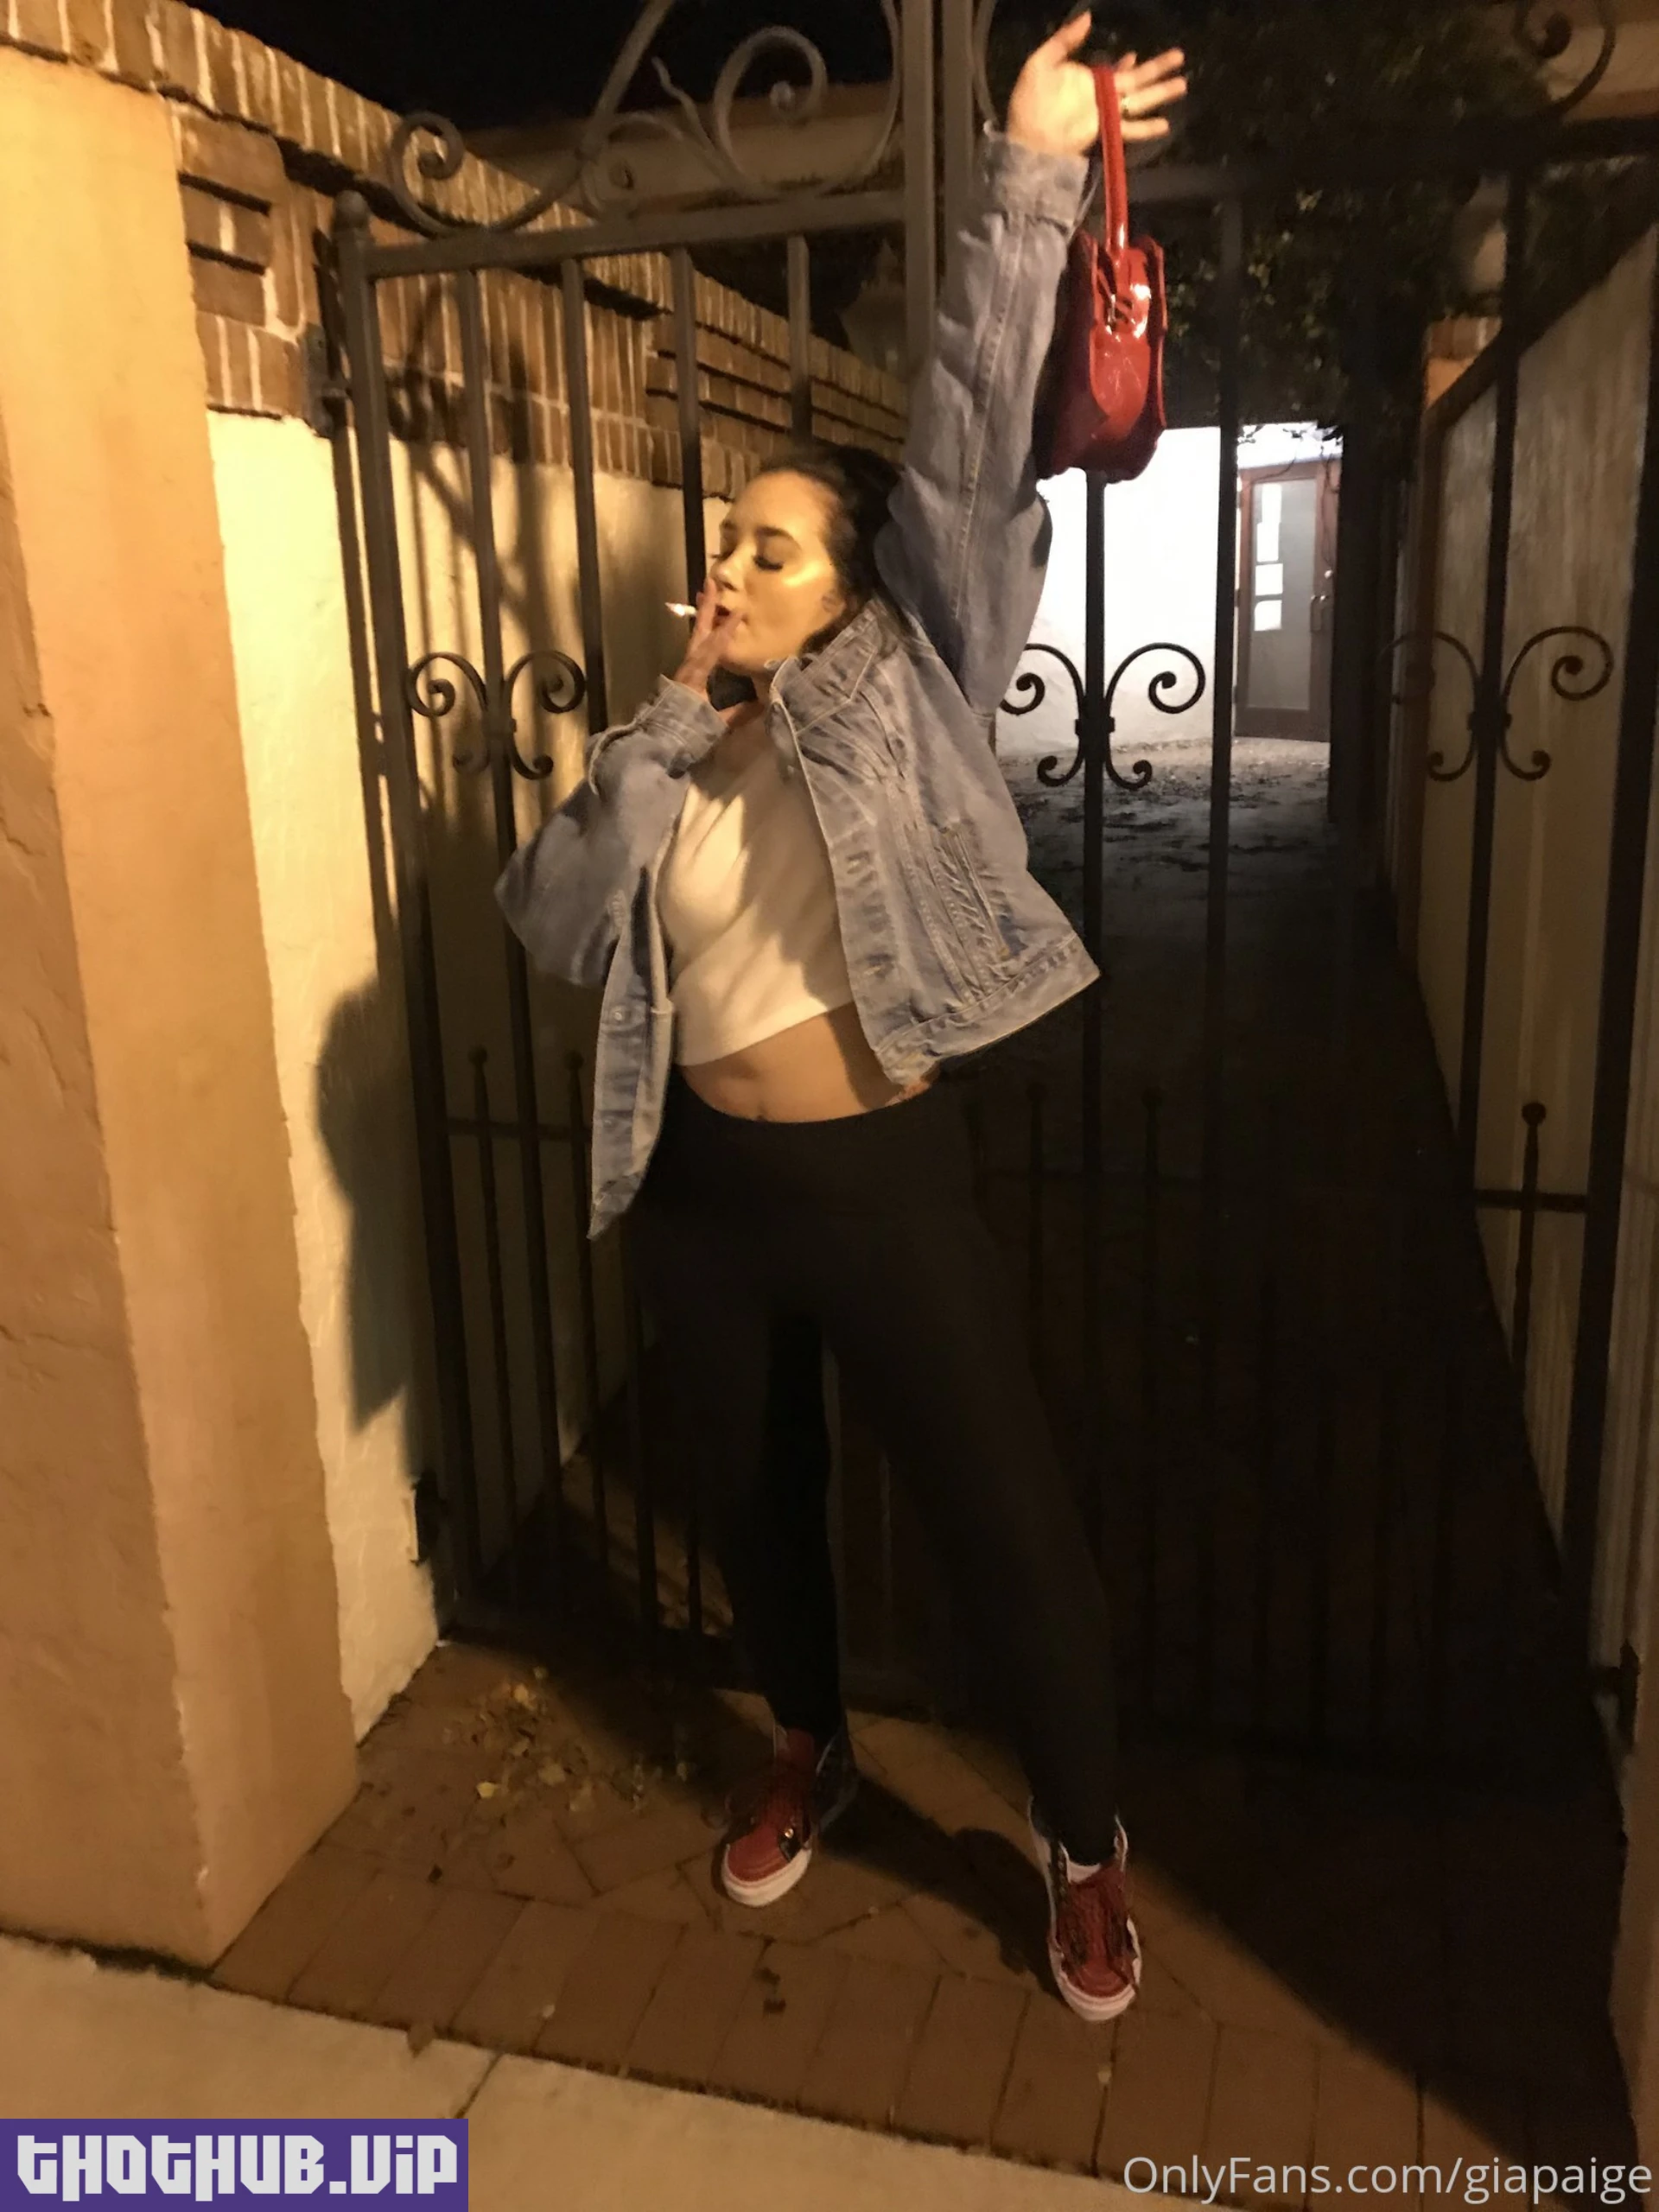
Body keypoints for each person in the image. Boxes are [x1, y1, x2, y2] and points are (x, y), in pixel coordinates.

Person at [497, 13, 1186, 2024]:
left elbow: (967, 438)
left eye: (767, 546)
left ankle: (1081, 1842)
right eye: (723, 541)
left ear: (850, 586)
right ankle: (809, 1742)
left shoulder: (914, 673)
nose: (727, 565)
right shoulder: (676, 740)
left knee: (1006, 1522)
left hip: (883, 1175)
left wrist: (1034, 174)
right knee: (755, 1495)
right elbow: (553, 921)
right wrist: (662, 727)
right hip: (702, 1185)